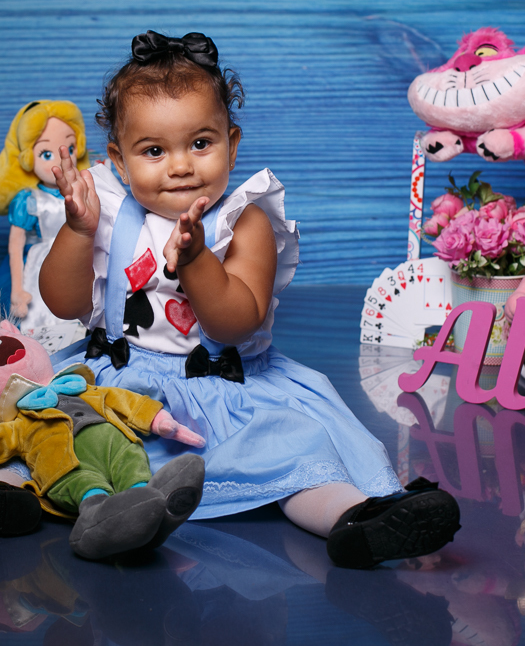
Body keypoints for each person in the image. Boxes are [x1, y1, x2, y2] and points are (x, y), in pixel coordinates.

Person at [40, 30, 461, 569]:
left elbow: (236, 322)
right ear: (119, 161)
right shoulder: (108, 213)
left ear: (231, 145)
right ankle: (38, 501)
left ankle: (359, 520)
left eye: (200, 143)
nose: (180, 166)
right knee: (61, 436)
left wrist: (195, 262)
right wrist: (77, 232)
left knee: (299, 449)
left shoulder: (245, 222)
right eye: (153, 151)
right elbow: (63, 301)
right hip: (126, 384)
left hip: (228, 388)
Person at [0, 100, 90, 342]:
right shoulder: (28, 200)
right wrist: (17, 290)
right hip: (40, 262)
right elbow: (14, 247)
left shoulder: (82, 190)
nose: (59, 161)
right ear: (27, 158)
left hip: (76, 256)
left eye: (70, 149)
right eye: (46, 153)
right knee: (38, 316)